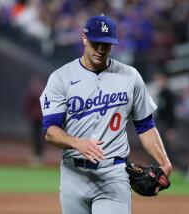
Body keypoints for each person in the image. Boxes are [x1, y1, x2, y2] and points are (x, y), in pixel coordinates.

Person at [39, 15, 172, 214]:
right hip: (72, 174)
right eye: (96, 42)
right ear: (84, 38)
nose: (101, 49)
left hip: (114, 173)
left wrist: (164, 161)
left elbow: (145, 125)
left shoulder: (130, 76)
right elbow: (50, 131)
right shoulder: (61, 78)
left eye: (107, 44)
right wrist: (77, 143)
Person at [23, 75, 45, 166]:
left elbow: (27, 104)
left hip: (35, 117)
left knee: (36, 136)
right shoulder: (44, 91)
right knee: (40, 137)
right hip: (42, 116)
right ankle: (39, 157)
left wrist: (26, 112)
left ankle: (36, 157)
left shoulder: (32, 91)